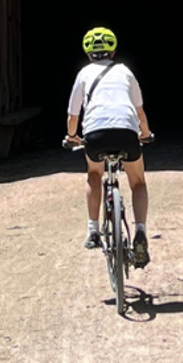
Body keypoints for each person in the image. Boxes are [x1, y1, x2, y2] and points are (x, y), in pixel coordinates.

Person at [63, 26, 154, 266]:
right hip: (127, 132)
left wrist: (72, 136)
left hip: (94, 135)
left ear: (88, 53)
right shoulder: (125, 72)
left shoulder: (83, 74)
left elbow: (73, 116)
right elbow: (139, 112)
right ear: (112, 51)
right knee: (138, 182)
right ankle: (141, 231)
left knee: (94, 173)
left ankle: (93, 229)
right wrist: (145, 134)